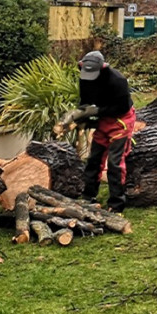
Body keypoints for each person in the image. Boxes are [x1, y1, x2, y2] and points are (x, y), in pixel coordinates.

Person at [56, 50, 136, 212]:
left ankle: (116, 204)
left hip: (120, 122)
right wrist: (78, 117)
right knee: (94, 160)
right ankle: (88, 196)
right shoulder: (85, 78)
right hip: (102, 121)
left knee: (115, 163)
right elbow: (85, 101)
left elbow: (121, 107)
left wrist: (96, 111)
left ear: (103, 68)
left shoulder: (118, 81)